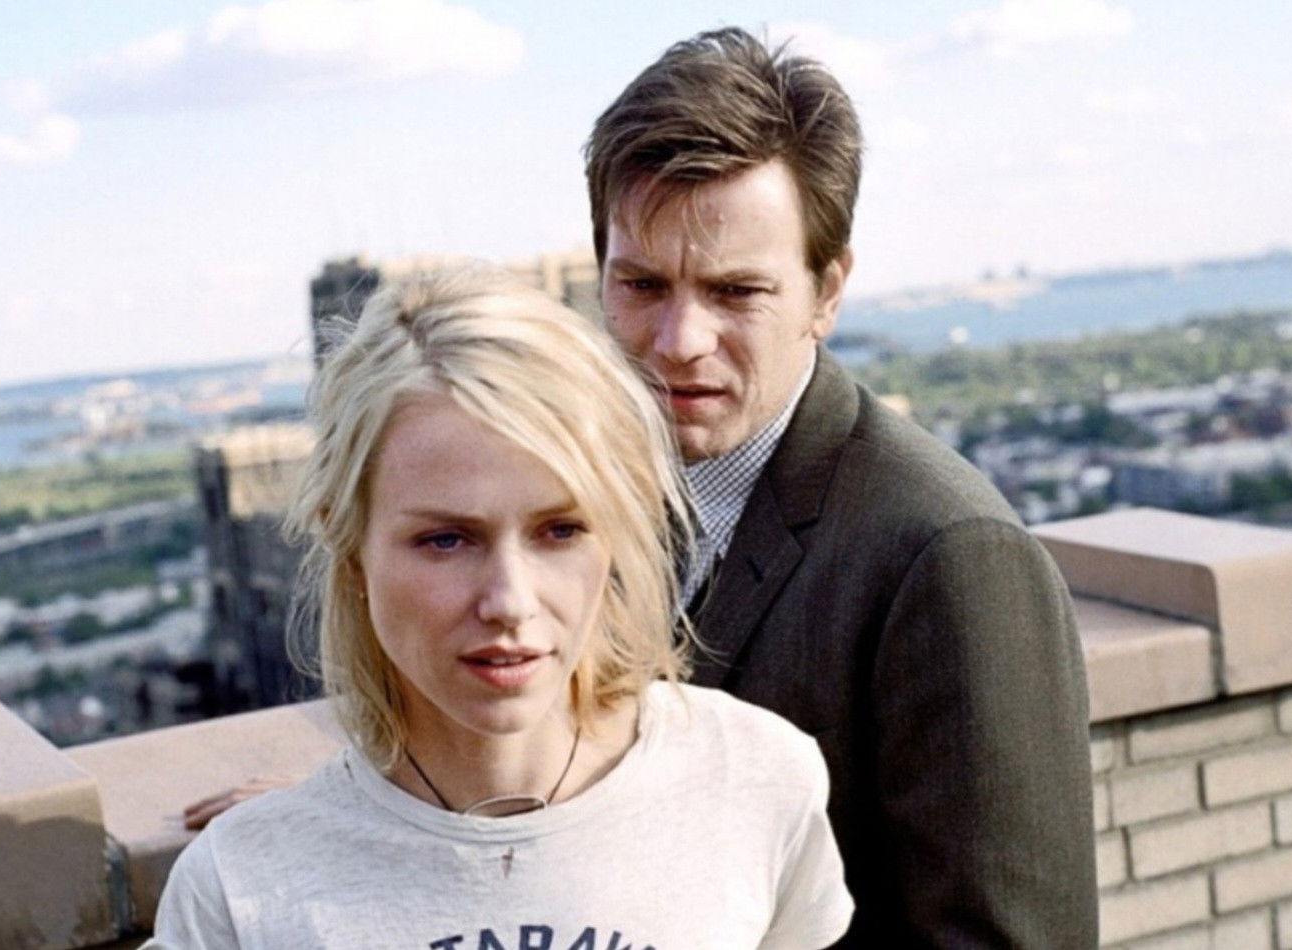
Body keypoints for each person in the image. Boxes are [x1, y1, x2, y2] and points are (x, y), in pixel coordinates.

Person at [149, 267, 853, 948]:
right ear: (350, 545)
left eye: (560, 530)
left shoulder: (755, 780)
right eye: (446, 540)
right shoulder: (240, 890)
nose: (510, 602)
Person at [584, 28, 1097, 946]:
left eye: (736, 292)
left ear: (826, 292)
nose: (678, 342)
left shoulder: (950, 558)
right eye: (643, 285)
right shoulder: (585, 504)